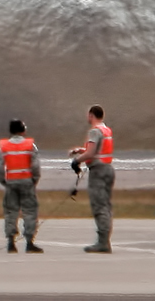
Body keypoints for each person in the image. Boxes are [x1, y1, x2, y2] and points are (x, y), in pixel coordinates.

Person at [68, 104, 114, 253]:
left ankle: (103, 243)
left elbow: (91, 153)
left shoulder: (95, 131)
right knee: (106, 206)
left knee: (99, 206)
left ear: (91, 115)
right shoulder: (105, 130)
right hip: (108, 169)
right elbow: (98, 150)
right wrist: (80, 150)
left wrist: (77, 160)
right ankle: (105, 240)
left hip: (98, 171)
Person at [0, 119, 43, 253]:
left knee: (11, 212)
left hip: (11, 181)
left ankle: (11, 242)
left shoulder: (4, 146)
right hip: (27, 181)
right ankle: (29, 242)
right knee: (30, 211)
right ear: (23, 130)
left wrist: (4, 181)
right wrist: (34, 179)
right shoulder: (30, 145)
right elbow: (35, 166)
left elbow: (0, 168)